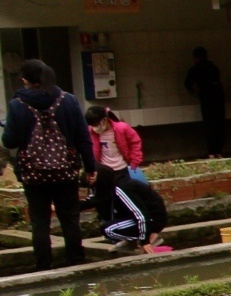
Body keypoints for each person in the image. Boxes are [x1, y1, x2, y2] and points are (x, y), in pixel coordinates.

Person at [3, 59, 95, 270]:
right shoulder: (68, 100)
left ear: (24, 80)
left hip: (34, 176)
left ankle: (43, 265)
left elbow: (10, 141)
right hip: (65, 172)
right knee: (70, 219)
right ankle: (76, 262)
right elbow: (83, 138)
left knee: (40, 222)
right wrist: (90, 168)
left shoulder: (17, 105)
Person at [85, 104, 144, 214]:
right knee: (104, 201)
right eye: (92, 125)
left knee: (125, 199)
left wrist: (134, 163)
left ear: (105, 120)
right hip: (103, 172)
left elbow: (135, 142)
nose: (95, 127)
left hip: (121, 169)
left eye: (96, 124)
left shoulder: (122, 128)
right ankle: (107, 221)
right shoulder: (90, 131)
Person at [100, 173, 168, 252]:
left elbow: (141, 214)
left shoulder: (121, 187)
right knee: (108, 225)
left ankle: (151, 237)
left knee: (108, 229)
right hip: (144, 217)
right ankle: (131, 242)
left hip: (153, 218)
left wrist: (145, 241)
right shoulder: (113, 188)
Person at [184, 46, 225, 157]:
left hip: (206, 100)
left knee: (209, 125)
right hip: (218, 99)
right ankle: (218, 151)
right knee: (218, 125)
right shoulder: (213, 67)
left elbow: (187, 84)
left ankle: (211, 151)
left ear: (195, 57)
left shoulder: (195, 69)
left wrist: (195, 92)